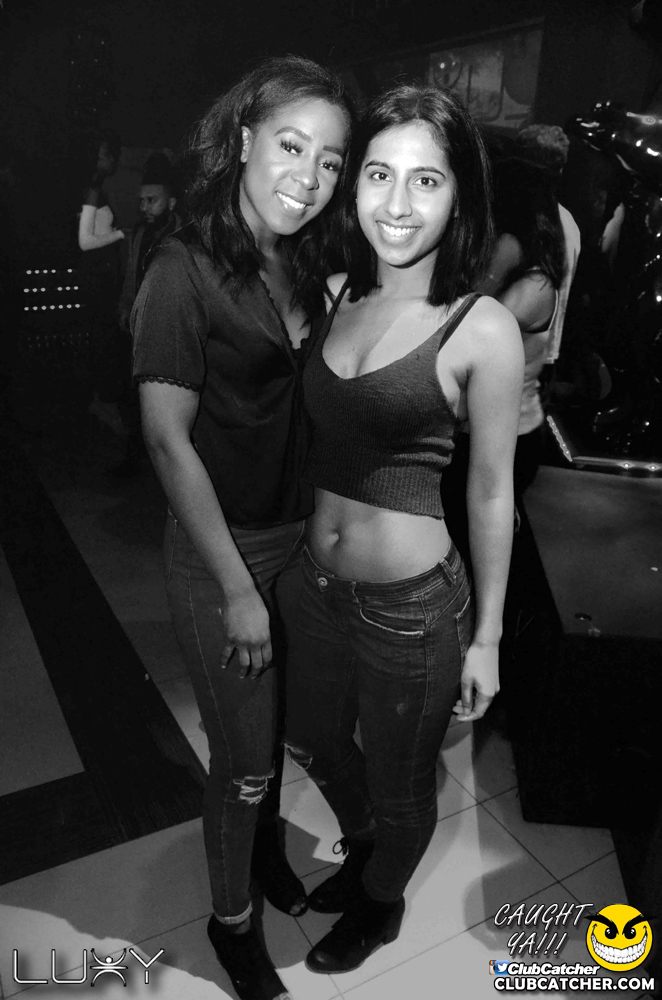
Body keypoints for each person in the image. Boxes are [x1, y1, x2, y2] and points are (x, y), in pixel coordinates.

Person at [283, 84, 523, 974]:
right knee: (311, 739)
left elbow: (491, 493)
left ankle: (380, 901)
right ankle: (369, 849)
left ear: (461, 195)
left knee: (401, 781)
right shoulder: (335, 292)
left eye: (427, 180)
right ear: (354, 186)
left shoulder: (481, 326)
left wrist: (487, 638)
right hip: (313, 586)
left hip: (411, 610)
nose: (397, 203)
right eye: (379, 174)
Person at [131, 56, 352, 1000]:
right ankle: (231, 927)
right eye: (292, 146)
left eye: (331, 160)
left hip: (299, 539)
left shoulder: (300, 255)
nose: (310, 175)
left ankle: (262, 853)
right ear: (245, 139)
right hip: (223, 554)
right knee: (245, 762)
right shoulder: (182, 266)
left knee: (288, 733)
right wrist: (235, 589)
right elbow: (167, 441)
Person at [77, 134, 127, 435]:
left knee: (105, 340)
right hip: (96, 278)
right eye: (107, 154)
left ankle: (102, 401)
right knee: (104, 341)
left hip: (102, 276)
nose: (112, 160)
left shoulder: (98, 188)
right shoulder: (93, 190)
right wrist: (121, 234)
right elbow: (85, 242)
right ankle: (103, 403)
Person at [118, 152, 182, 332]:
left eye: (152, 200)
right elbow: (131, 276)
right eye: (141, 201)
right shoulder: (139, 233)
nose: (144, 208)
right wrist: (126, 306)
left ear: (171, 203)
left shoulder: (187, 236)